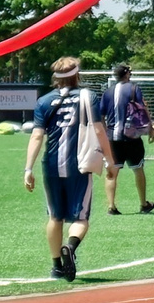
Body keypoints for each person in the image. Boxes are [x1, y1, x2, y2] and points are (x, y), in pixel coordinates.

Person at [24, 56, 104, 282]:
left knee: (55, 216)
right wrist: (110, 159)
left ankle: (56, 265)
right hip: (78, 163)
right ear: (76, 74)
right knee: (81, 217)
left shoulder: (44, 101)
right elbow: (98, 130)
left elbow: (37, 135)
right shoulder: (89, 97)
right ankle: (70, 246)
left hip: (50, 164)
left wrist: (28, 169)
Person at [100, 62, 154, 215]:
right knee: (138, 169)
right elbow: (142, 108)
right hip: (132, 136)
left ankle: (111, 206)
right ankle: (143, 204)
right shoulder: (134, 88)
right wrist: (150, 128)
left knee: (112, 172)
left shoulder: (107, 92)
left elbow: (101, 116)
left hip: (113, 137)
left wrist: (105, 134)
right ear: (127, 74)